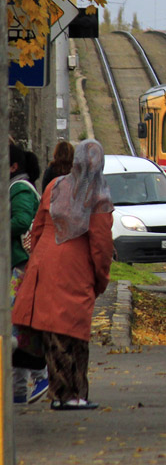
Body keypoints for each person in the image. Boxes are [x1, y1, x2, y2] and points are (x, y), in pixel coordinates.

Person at [13, 139, 114, 410]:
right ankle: (70, 395)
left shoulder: (54, 187)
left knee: (52, 333)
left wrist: (37, 262)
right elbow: (101, 246)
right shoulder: (99, 196)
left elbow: (37, 230)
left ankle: (64, 393)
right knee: (73, 335)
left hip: (45, 266)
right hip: (75, 270)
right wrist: (101, 279)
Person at [10, 144, 48, 404]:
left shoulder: (19, 189)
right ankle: (19, 390)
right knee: (16, 328)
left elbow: (22, 220)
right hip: (19, 267)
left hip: (21, 268)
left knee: (16, 329)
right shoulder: (16, 188)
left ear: (12, 166)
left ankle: (40, 374)